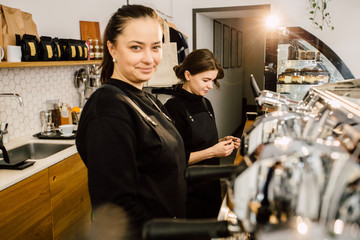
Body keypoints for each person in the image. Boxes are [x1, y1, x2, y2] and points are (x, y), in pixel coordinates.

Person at [75, 5, 187, 239]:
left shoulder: (144, 97)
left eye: (155, 47)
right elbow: (117, 209)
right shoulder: (107, 109)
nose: (149, 58)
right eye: (136, 47)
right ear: (112, 49)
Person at [164, 49, 240, 219]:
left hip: (211, 184)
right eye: (205, 80)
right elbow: (176, 158)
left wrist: (222, 142)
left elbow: (198, 142)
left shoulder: (206, 103)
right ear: (188, 75)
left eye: (212, 81)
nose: (210, 86)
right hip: (189, 191)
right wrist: (214, 151)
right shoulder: (173, 108)